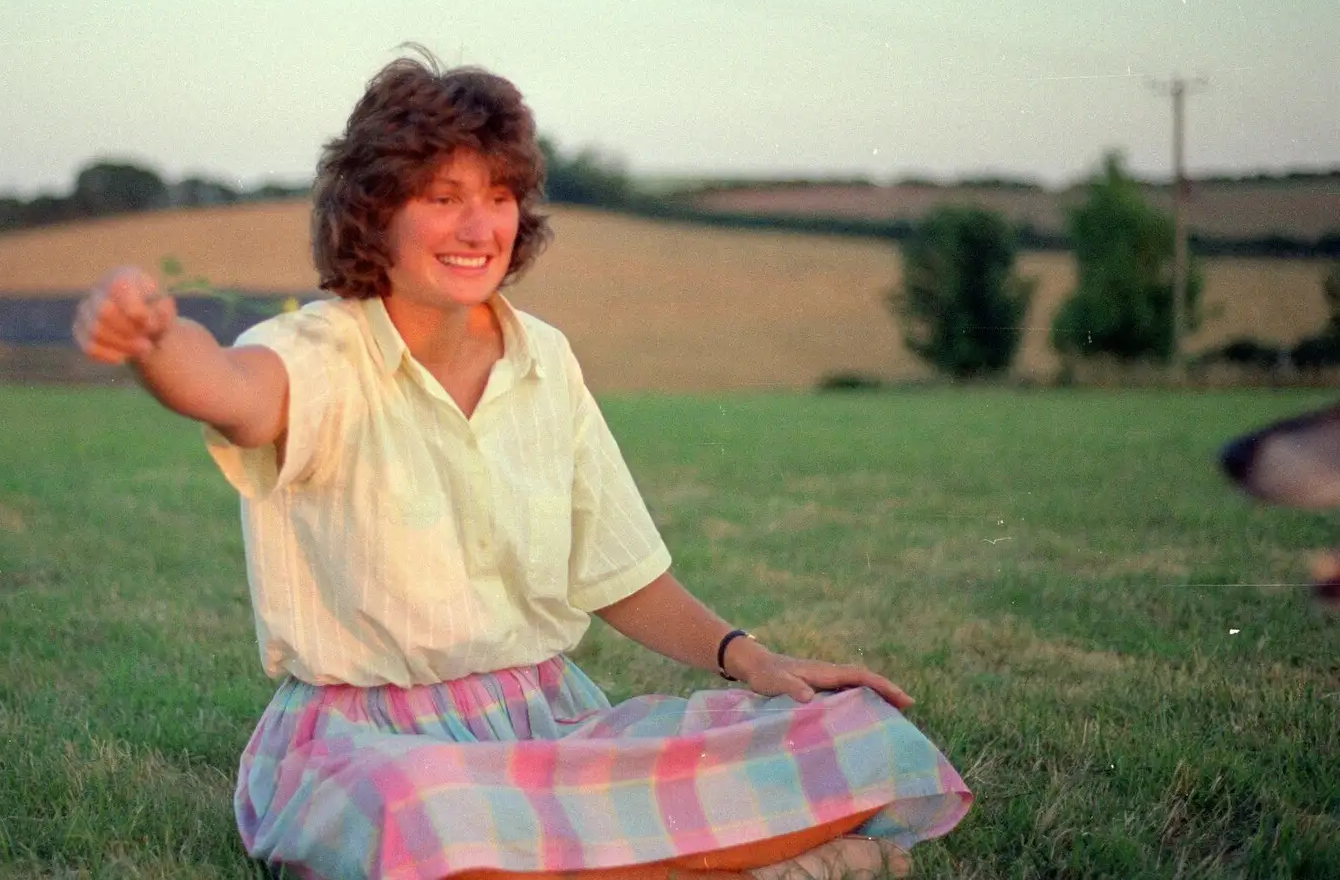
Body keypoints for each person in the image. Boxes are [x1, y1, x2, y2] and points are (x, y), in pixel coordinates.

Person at [73, 50, 971, 880]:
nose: (479, 225)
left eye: (499, 195)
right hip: (371, 743)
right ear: (374, 210)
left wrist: (754, 659)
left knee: (859, 736)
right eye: (441, 195)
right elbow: (225, 384)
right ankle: (764, 861)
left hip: (550, 721)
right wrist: (153, 341)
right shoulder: (321, 353)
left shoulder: (547, 361)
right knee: (430, 814)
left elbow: (619, 571)